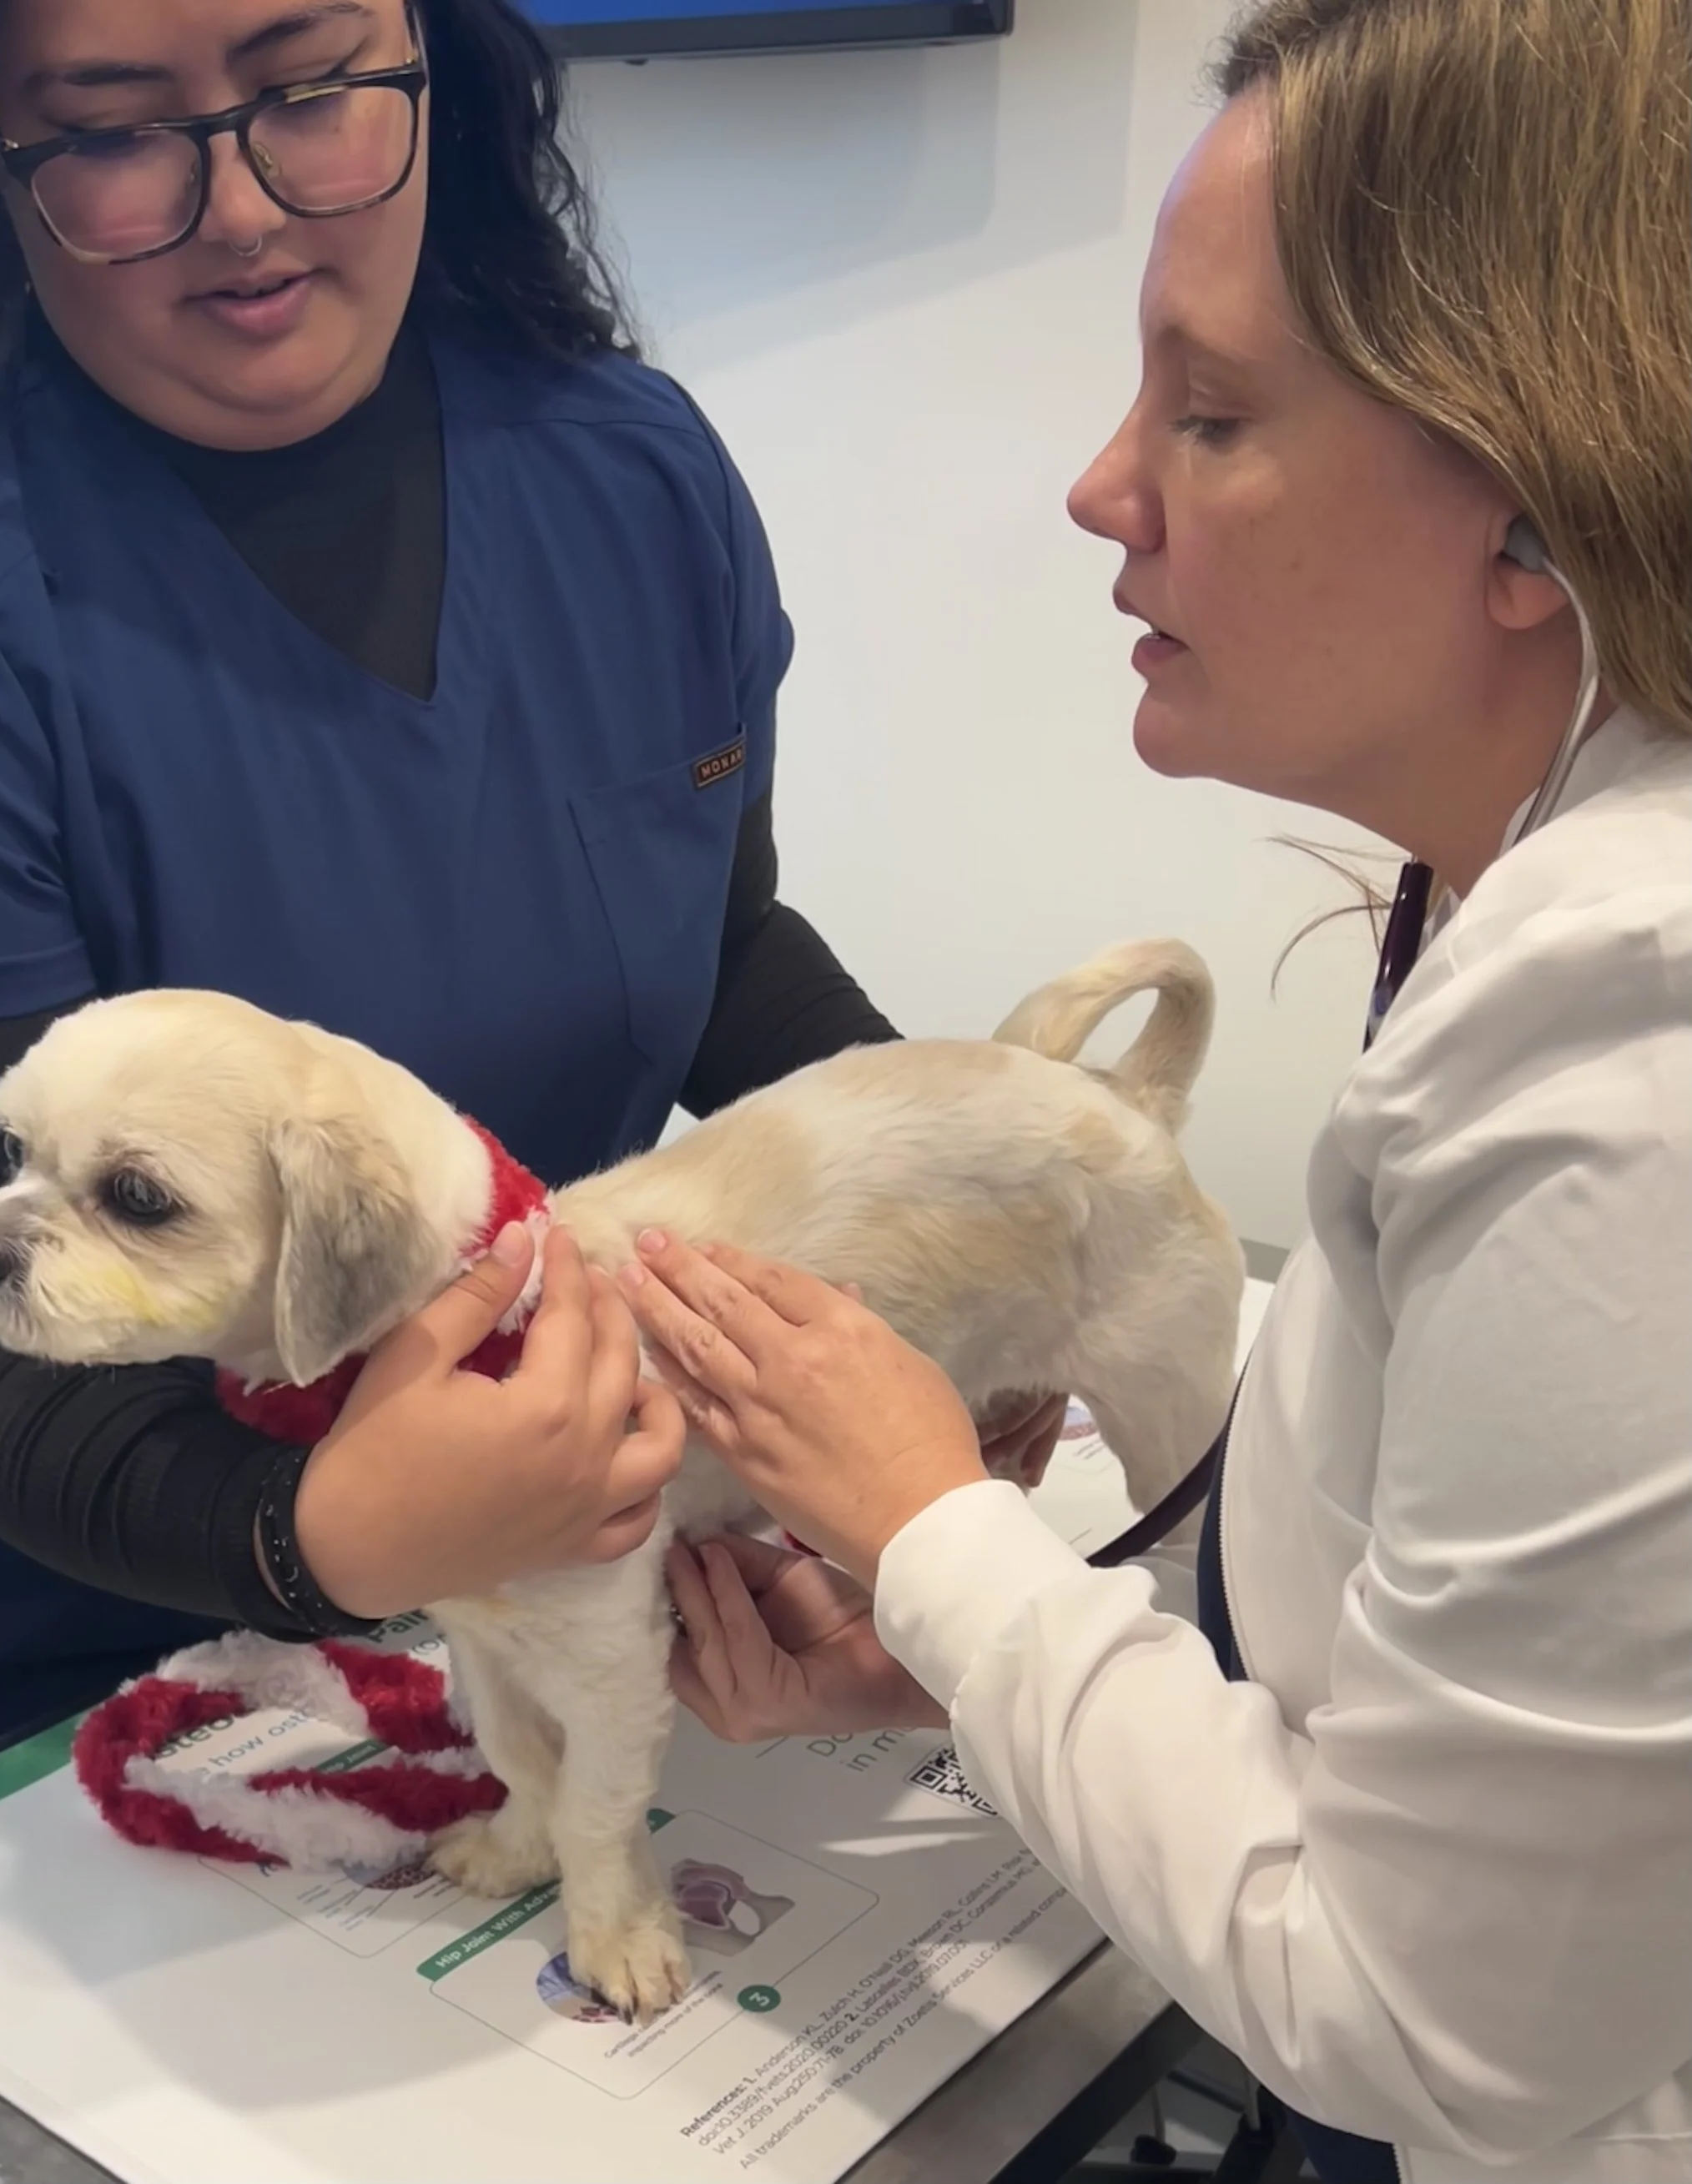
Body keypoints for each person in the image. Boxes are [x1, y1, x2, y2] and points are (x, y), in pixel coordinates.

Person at [0, 0, 945, 1824]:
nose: (242, 207)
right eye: (112, 129)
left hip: (523, 1514)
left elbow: (718, 954)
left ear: (434, 74)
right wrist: (320, 1532)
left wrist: (930, 1249)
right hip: (48, 1581)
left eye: (311, 92)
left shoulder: (629, 480)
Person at [621, 3, 1692, 2181]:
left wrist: (937, 1532)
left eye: (1205, 417)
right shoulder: (1518, 907)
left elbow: (1430, 2023)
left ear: (1533, 515)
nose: (1100, 487)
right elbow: (1436, 1700)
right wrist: (952, 1669)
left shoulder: (1631, 1049)